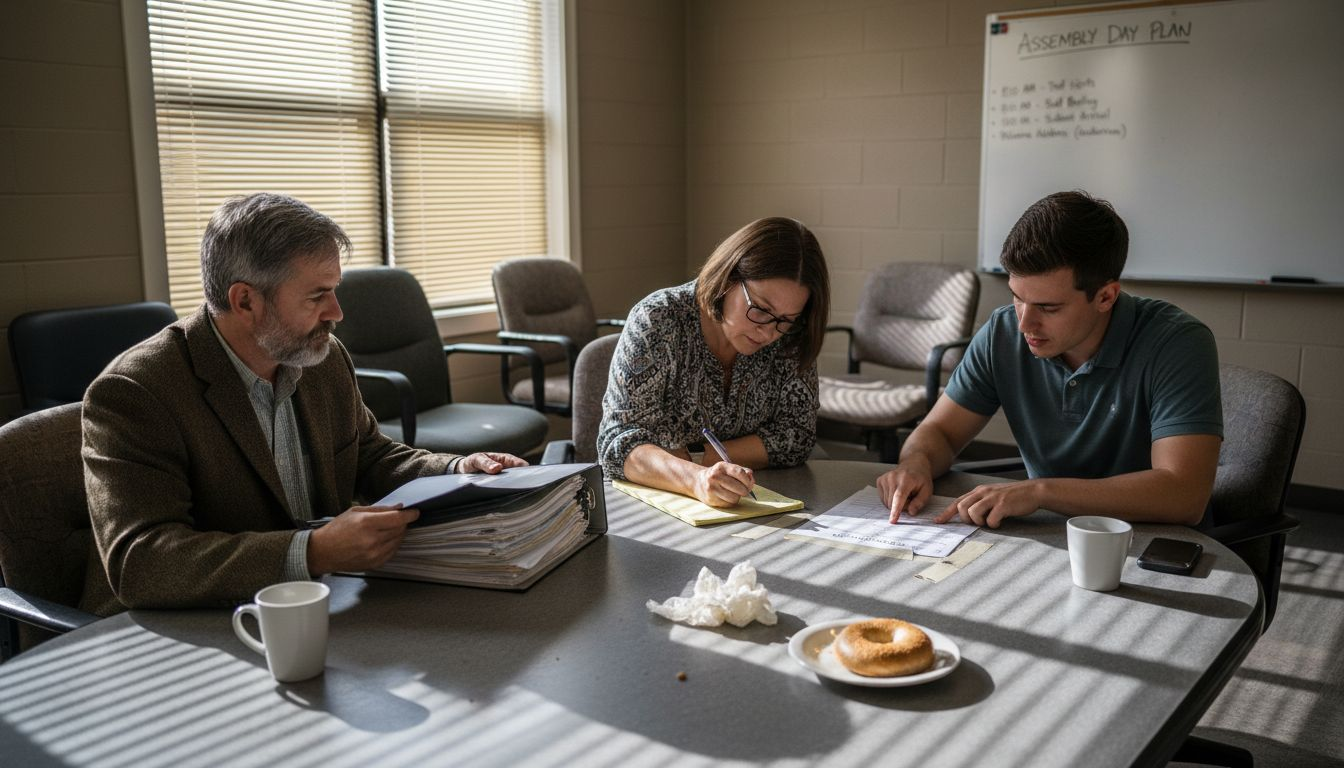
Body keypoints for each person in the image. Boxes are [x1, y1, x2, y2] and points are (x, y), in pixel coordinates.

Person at [81, 193, 526, 613]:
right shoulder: (136, 390)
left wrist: (458, 471)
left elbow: (370, 455)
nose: (337, 312)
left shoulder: (320, 358)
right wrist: (312, 552)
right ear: (245, 301)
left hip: (316, 603)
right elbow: (142, 563)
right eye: (317, 295)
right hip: (190, 629)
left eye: (334, 290)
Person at [877, 190, 1222, 529]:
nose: (1024, 323)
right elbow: (940, 432)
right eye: (1017, 298)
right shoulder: (1003, 332)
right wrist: (916, 463)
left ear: (1105, 296)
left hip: (1150, 541)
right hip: (1049, 532)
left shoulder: (1177, 343)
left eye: (1048, 307)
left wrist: (1041, 491)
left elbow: (1184, 495)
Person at [596, 217, 830, 508]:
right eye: (760, 310)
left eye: (786, 320)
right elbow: (618, 444)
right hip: (655, 506)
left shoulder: (792, 337)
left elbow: (796, 436)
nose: (769, 332)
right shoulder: (658, 320)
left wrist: (699, 456)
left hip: (756, 501)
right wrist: (696, 479)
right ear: (728, 278)